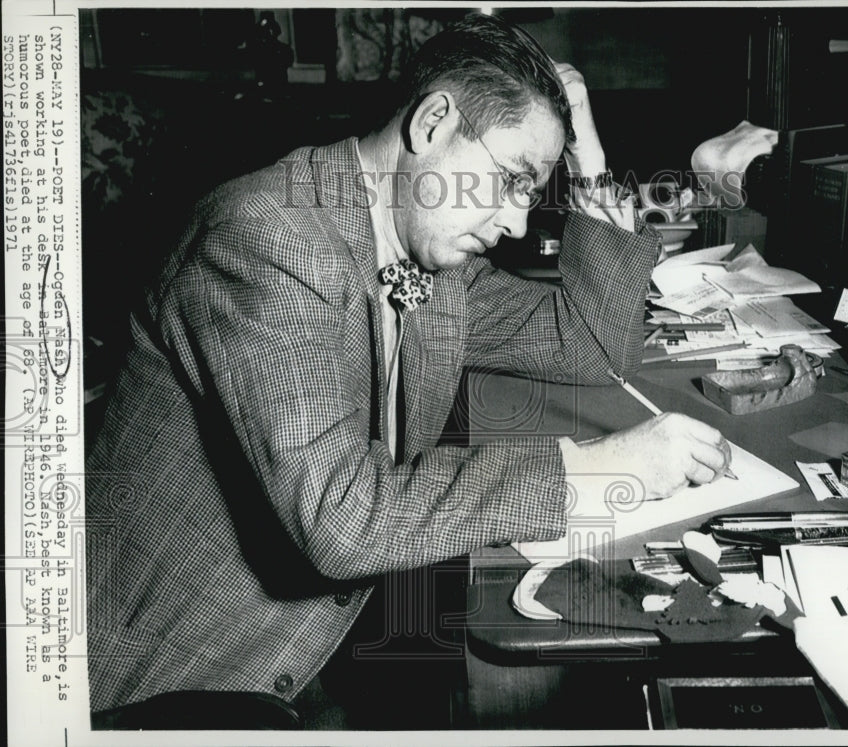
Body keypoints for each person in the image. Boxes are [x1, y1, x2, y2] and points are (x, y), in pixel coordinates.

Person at [86, 13, 732, 719]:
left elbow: (583, 340)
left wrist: (589, 156)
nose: (518, 224)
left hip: (303, 653)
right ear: (432, 124)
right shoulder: (269, 237)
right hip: (167, 676)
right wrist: (594, 470)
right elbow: (341, 519)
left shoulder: (421, 248)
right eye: (513, 179)